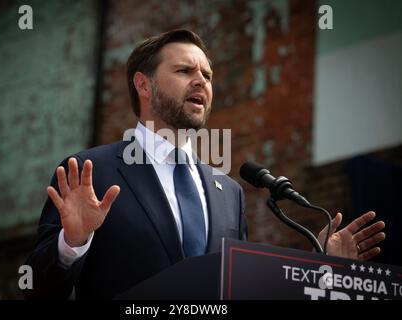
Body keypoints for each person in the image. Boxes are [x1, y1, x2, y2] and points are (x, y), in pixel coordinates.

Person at [24, 29, 385, 299]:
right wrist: (72, 242)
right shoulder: (89, 172)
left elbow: (237, 291)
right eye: (184, 71)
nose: (201, 81)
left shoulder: (229, 192)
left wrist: (312, 268)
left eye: (208, 75)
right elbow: (38, 290)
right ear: (143, 85)